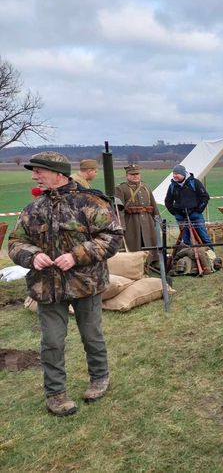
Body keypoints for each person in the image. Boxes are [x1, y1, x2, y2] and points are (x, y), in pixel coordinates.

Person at [8, 151, 123, 416]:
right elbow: (15, 242)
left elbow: (112, 237)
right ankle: (56, 394)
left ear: (58, 173)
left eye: (39, 171)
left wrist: (76, 256)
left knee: (92, 336)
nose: (35, 176)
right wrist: (31, 255)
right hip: (47, 287)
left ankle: (99, 378)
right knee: (51, 342)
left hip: (85, 284)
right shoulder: (33, 209)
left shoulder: (90, 202)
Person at [114, 164, 160, 263]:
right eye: (132, 174)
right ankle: (135, 264)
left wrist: (157, 219)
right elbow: (119, 209)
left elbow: (153, 204)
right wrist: (121, 225)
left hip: (147, 221)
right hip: (131, 222)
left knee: (149, 242)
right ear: (127, 175)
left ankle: (150, 262)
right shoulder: (120, 188)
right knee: (134, 244)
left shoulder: (145, 187)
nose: (135, 176)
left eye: (137, 174)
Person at [165, 164, 213, 248]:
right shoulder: (172, 186)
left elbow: (205, 197)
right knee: (186, 240)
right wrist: (175, 213)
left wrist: (199, 210)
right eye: (173, 174)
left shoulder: (195, 182)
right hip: (181, 216)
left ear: (183, 174)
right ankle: (189, 258)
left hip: (195, 215)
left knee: (204, 237)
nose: (174, 176)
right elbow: (168, 201)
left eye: (177, 174)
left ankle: (212, 257)